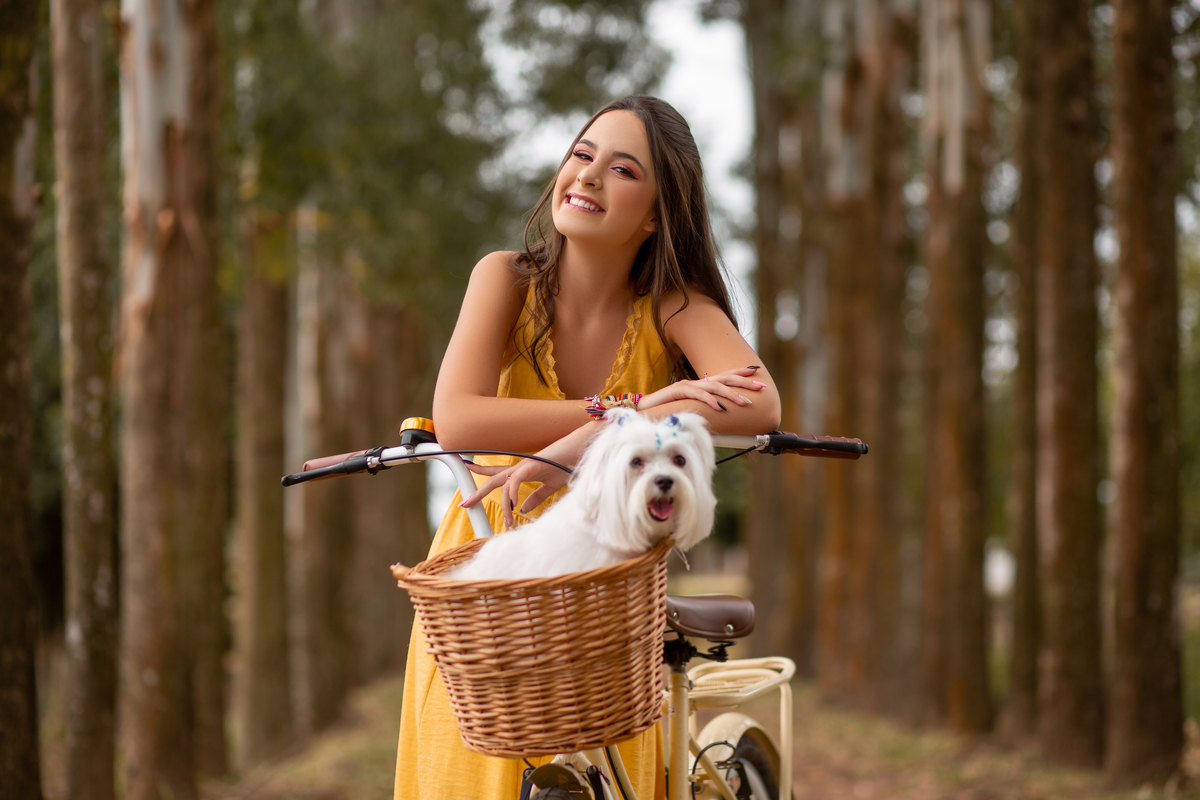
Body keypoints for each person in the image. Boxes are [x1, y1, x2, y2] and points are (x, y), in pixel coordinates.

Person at [394, 95, 781, 800]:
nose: (590, 176)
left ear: (658, 212)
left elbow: (758, 398)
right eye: (583, 155)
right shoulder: (505, 279)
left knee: (612, 762)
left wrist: (592, 439)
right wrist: (627, 412)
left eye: (623, 168)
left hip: (608, 570)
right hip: (494, 550)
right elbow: (459, 418)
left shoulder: (674, 304)